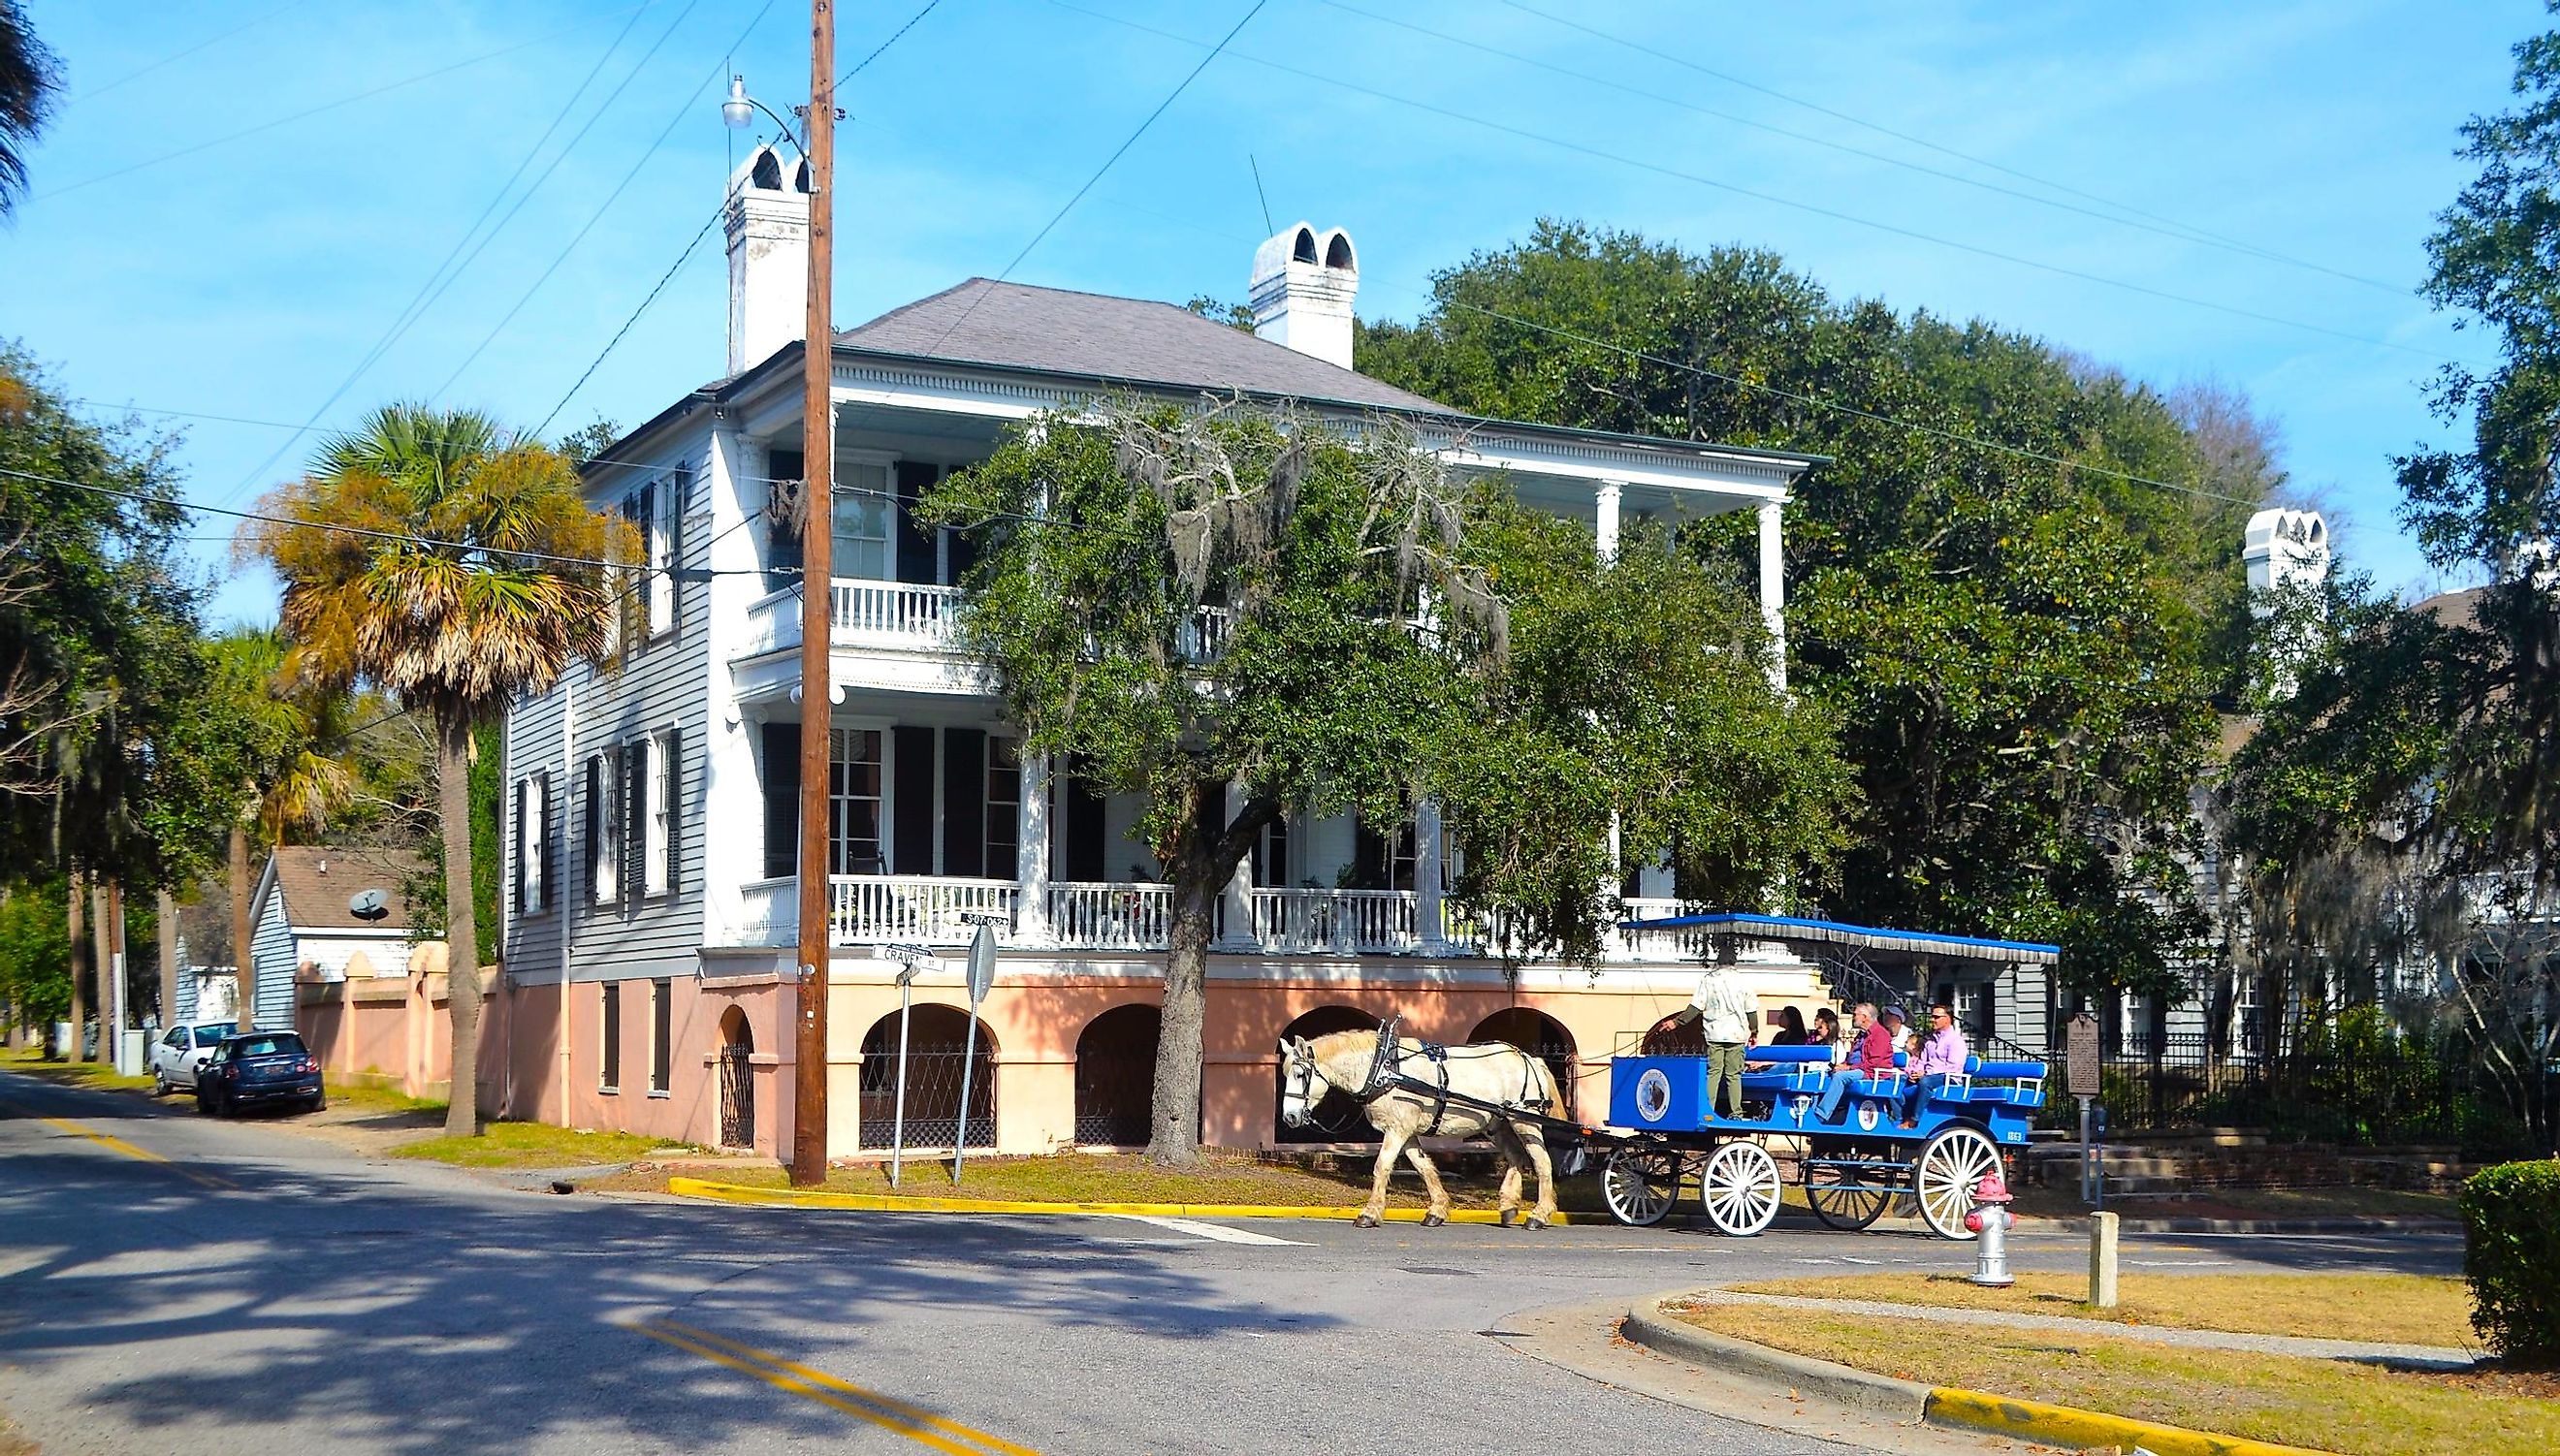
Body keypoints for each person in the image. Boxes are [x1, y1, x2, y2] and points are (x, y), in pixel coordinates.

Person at [1672, 960, 1758, 1119]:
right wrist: (1754, 1031)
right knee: (1734, 1075)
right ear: (1734, 962)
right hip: (1736, 1034)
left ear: (1719, 961)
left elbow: (1697, 1006)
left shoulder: (1708, 979)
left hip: (1714, 1033)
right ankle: (1736, 1112)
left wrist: (1677, 1022)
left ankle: (1708, 1109)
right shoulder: (1743, 980)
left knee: (1714, 1073)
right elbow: (1751, 1009)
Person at [1812, 1002, 1895, 1123]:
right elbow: (1853, 1056)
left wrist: (1848, 1068)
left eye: (1855, 1014)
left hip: (1870, 1073)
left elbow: (1873, 1063)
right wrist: (1843, 1065)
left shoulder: (1880, 1034)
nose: (1853, 1017)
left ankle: (1821, 1115)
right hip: (1858, 1069)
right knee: (1822, 1074)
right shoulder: (1862, 1035)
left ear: (1864, 1017)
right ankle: (1811, 1108)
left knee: (1840, 1077)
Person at [1901, 1002, 1970, 1127]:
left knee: (1925, 1082)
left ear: (1948, 1018)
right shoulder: (1930, 1041)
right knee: (1900, 1080)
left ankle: (1915, 1120)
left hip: (1949, 1078)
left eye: (1936, 1017)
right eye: (1932, 1016)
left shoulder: (1955, 1041)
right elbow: (1922, 1062)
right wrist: (1914, 1073)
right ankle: (1900, 1117)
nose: (1933, 1020)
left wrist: (1926, 1074)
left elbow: (1953, 1066)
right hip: (1928, 1076)